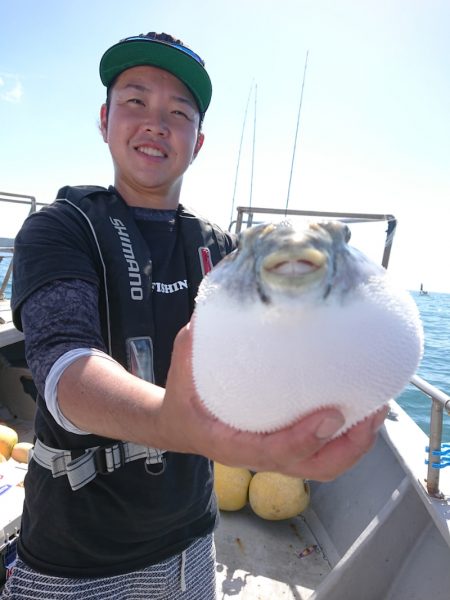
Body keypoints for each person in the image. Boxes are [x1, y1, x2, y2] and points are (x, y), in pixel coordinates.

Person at [3, 32, 388, 599]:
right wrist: (167, 422)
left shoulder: (221, 250)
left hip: (192, 546)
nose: (156, 122)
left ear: (198, 141)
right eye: (135, 101)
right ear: (105, 118)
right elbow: (65, 367)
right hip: (77, 560)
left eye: (178, 111)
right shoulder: (61, 228)